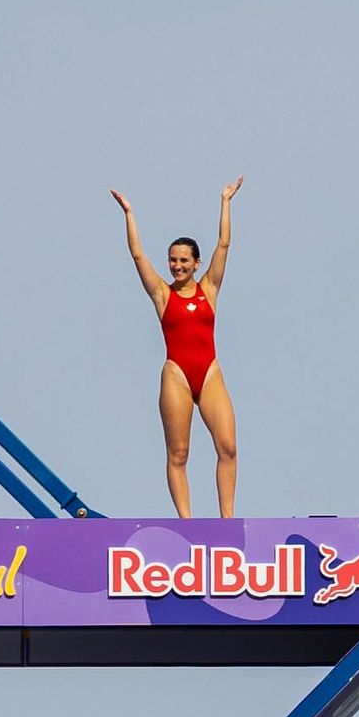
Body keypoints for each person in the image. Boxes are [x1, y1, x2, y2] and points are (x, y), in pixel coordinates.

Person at [111, 180, 243, 516]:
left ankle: (227, 518)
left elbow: (224, 244)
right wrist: (129, 213)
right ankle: (187, 521)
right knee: (178, 453)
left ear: (197, 263)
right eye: (172, 260)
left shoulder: (209, 288)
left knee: (228, 447)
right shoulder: (162, 294)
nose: (178, 266)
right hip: (177, 375)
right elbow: (137, 255)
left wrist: (225, 202)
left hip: (209, 373)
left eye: (184, 260)